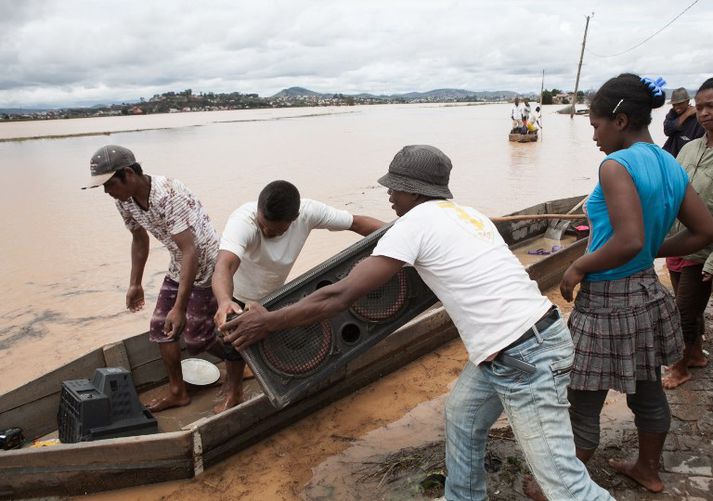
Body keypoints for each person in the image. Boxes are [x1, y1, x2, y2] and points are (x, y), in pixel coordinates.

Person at [220, 146, 613, 501]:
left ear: (414, 189)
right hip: (516, 345)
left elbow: (340, 295)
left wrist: (269, 321)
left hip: (523, 356)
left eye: (395, 188)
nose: (389, 195)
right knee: (462, 416)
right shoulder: (467, 213)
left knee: (564, 485)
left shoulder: (414, 224)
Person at [558, 74, 713, 494]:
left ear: (621, 120)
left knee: (582, 399)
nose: (593, 136)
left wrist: (578, 267)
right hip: (646, 294)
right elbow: (703, 231)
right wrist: (653, 251)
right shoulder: (670, 159)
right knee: (647, 392)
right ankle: (647, 468)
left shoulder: (615, 165)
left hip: (607, 302)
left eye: (595, 126)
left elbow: (627, 239)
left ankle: (566, 486)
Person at [83, 145, 244, 414]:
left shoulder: (169, 193)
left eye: (109, 184)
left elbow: (191, 250)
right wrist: (135, 283)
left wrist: (179, 308)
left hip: (207, 265)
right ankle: (177, 392)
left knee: (197, 339)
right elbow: (139, 238)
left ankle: (240, 356)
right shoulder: (124, 201)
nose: (106, 191)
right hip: (179, 263)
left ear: (127, 174)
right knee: (161, 328)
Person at [211, 180, 384, 399]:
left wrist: (401, 238)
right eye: (263, 224)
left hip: (275, 293)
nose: (265, 231)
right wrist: (224, 300)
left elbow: (357, 223)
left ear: (293, 220)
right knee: (233, 344)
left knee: (278, 347)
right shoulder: (243, 221)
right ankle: (233, 390)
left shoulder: (308, 212)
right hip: (238, 293)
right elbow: (224, 265)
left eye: (273, 230)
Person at [662, 78, 713, 389]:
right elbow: (672, 191)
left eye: (712, 107)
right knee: (691, 309)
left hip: (704, 250)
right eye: (702, 106)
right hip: (677, 243)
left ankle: (679, 367)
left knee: (680, 311)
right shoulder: (690, 147)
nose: (705, 113)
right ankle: (694, 353)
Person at [662, 87, 704, 158]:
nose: (676, 107)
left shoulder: (697, 118)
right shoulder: (672, 113)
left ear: (687, 101)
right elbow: (667, 131)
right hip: (671, 155)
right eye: (674, 104)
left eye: (680, 103)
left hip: (688, 157)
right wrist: (686, 115)